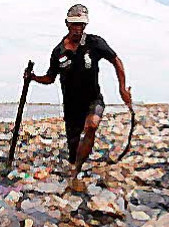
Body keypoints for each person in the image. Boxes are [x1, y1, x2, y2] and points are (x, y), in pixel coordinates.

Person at [25, 4, 132, 177]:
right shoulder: (58, 52)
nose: (77, 29)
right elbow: (50, 78)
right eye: (74, 24)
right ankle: (76, 163)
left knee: (91, 126)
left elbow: (116, 60)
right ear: (67, 24)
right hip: (71, 106)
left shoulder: (94, 43)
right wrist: (33, 77)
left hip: (93, 100)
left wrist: (122, 88)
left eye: (81, 25)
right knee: (73, 152)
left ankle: (77, 171)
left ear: (85, 25)